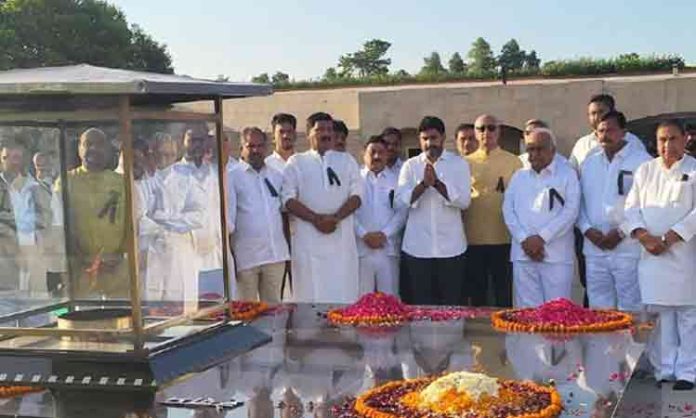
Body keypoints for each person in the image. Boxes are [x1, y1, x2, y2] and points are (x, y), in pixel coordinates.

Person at [624, 120, 696, 391]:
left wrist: (669, 238)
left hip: (685, 253)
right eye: (662, 140)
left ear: (685, 138)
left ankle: (688, 371)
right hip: (651, 253)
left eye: (673, 139)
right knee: (661, 313)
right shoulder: (645, 170)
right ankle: (664, 369)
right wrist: (645, 237)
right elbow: (631, 210)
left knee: (689, 315)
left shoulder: (693, 168)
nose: (667, 145)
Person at [281, 112, 362, 303]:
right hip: (308, 244)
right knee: (310, 296)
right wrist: (316, 219)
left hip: (341, 242)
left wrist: (336, 218)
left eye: (329, 130)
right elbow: (288, 199)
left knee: (343, 295)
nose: (326, 134)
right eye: (320, 130)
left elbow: (357, 196)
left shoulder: (347, 160)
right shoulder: (296, 162)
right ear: (309, 133)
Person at [578, 111, 651, 311]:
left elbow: (647, 205)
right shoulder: (589, 163)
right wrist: (587, 230)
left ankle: (632, 344)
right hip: (595, 249)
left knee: (632, 307)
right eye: (600, 131)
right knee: (599, 309)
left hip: (628, 248)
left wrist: (621, 231)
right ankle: (603, 344)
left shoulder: (642, 162)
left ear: (623, 132)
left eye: (610, 130)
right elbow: (579, 202)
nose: (604, 135)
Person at [396, 116, 471, 305]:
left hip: (451, 249)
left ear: (443, 137)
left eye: (434, 137)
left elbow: (464, 202)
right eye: (425, 139)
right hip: (417, 248)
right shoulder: (410, 166)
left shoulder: (458, 164)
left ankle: (452, 336)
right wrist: (423, 185)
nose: (430, 143)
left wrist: (437, 184)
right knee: (421, 306)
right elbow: (400, 202)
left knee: (451, 305)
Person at [503, 128, 580, 307]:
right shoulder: (518, 176)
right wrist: (524, 239)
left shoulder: (566, 174)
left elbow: (571, 211)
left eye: (540, 149)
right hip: (523, 255)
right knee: (527, 313)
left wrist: (541, 238)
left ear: (553, 150)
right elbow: (508, 210)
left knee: (557, 312)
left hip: (556, 256)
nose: (535, 154)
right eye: (531, 149)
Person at [54, 128, 128, 298]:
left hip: (116, 270)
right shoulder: (66, 181)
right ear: (79, 149)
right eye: (88, 144)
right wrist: (81, 259)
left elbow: (131, 224)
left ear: (109, 150)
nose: (94, 149)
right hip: (81, 270)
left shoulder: (121, 182)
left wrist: (117, 257)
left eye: (100, 144)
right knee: (86, 321)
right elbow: (60, 226)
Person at [464, 115, 522, 307]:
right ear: (475, 132)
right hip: (472, 239)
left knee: (503, 293)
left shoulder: (513, 162)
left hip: (503, 238)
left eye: (491, 128)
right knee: (477, 294)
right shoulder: (464, 164)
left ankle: (506, 335)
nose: (486, 133)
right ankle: (479, 337)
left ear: (499, 132)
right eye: (481, 129)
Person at [141, 132, 204, 305]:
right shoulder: (142, 179)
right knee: (152, 302)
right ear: (151, 153)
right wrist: (165, 224)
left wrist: (165, 219)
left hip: (180, 248)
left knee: (181, 301)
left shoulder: (186, 179)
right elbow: (141, 219)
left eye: (168, 154)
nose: (164, 158)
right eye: (159, 153)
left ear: (175, 155)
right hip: (151, 250)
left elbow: (198, 215)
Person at [228, 127, 289, 303]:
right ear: (241, 148)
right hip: (247, 258)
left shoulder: (276, 175)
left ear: (266, 148)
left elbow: (284, 214)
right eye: (250, 146)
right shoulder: (232, 177)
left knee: (273, 313)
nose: (256, 150)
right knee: (246, 314)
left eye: (260, 146)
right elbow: (228, 222)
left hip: (275, 255)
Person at [354, 135, 407, 296]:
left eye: (381, 153)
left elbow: (402, 212)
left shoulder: (397, 180)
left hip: (388, 249)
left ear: (386, 155)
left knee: (390, 300)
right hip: (361, 250)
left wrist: (384, 234)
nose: (377, 156)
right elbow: (348, 212)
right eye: (372, 152)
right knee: (361, 301)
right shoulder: (354, 179)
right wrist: (364, 235)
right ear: (364, 154)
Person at [0, 141, 51, 295]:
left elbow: (48, 221)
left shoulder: (37, 188)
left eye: (16, 157)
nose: (11, 162)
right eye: (6, 157)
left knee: (37, 315)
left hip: (34, 265)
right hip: (5, 267)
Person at [177, 129, 223, 274]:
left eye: (200, 140)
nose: (197, 145)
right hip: (186, 255)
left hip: (214, 256)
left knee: (213, 296)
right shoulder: (173, 174)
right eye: (192, 141)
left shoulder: (215, 174)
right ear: (182, 143)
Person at [569, 94, 646, 170]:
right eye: (593, 113)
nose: (596, 117)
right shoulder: (582, 144)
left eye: (601, 112)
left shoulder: (632, 142)